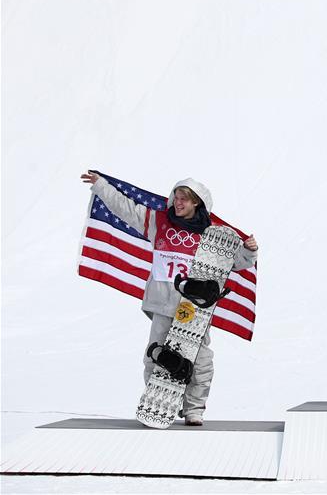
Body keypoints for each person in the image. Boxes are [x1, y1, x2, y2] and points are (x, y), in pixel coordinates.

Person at [80, 170, 259, 426]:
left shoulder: (212, 233)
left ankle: (194, 409)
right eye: (176, 196)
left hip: (195, 309)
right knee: (156, 355)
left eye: (184, 198)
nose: (178, 201)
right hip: (163, 304)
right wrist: (101, 186)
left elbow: (237, 262)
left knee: (201, 360)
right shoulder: (158, 221)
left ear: (196, 202)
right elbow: (125, 208)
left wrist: (250, 251)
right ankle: (157, 403)